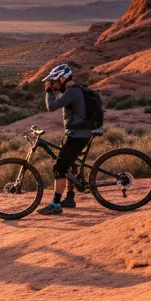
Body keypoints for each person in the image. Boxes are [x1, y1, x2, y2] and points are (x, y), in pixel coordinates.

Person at [38, 63, 88, 215]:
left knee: (59, 168)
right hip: (75, 134)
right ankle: (69, 197)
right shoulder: (72, 90)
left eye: (54, 82)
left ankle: (55, 204)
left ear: (62, 79)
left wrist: (48, 90)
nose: (52, 85)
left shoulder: (72, 91)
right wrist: (53, 88)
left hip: (77, 136)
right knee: (69, 164)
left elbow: (51, 106)